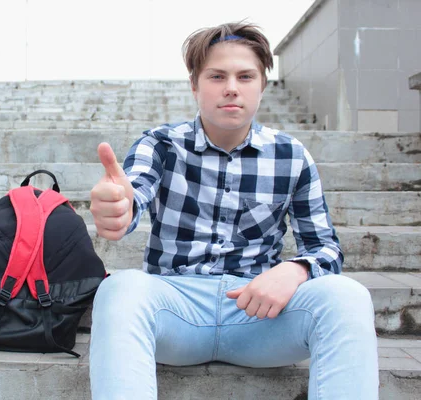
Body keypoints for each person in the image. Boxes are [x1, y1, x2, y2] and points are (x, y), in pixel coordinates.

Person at [88, 22, 378, 399]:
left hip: (260, 316)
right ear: (195, 84)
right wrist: (119, 208)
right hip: (176, 311)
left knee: (348, 296)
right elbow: (133, 194)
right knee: (119, 289)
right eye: (216, 76)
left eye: (245, 76)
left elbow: (326, 248)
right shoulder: (160, 144)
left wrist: (295, 269)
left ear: (262, 85)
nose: (231, 87)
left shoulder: (291, 156)